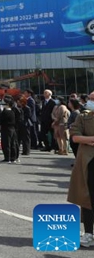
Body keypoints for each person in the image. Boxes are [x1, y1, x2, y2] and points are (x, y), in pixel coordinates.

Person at [67, 91, 94, 248]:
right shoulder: (83, 116)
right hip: (88, 163)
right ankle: (88, 232)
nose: (89, 101)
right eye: (89, 98)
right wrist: (91, 140)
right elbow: (75, 136)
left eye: (92, 99)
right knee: (88, 197)